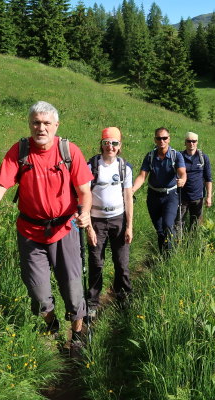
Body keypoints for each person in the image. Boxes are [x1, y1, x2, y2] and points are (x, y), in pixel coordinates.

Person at [0, 101, 93, 350]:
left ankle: (78, 333)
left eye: (47, 123)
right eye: (36, 122)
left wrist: (86, 213)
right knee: (38, 292)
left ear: (56, 125)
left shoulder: (69, 151)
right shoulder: (20, 151)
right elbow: (0, 185)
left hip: (65, 229)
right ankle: (51, 325)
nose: (41, 128)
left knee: (73, 288)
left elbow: (84, 190)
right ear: (30, 124)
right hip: (29, 232)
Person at [86, 127, 133, 315]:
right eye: (106, 143)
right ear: (101, 144)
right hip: (96, 221)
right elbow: (84, 196)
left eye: (114, 143)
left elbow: (128, 197)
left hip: (118, 220)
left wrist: (129, 226)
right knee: (96, 263)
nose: (110, 147)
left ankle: (124, 296)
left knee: (121, 262)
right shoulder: (92, 166)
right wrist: (88, 227)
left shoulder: (124, 167)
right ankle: (92, 303)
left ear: (120, 146)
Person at [132, 127, 186, 254]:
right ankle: (162, 255)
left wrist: (182, 179)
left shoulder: (175, 156)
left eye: (164, 138)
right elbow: (142, 176)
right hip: (153, 197)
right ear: (155, 140)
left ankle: (171, 256)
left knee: (168, 225)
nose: (162, 141)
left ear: (169, 139)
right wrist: (133, 189)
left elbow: (182, 172)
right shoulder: (150, 156)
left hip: (170, 196)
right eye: (159, 138)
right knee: (160, 230)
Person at [176, 131, 212, 232]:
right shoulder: (179, 157)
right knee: (178, 224)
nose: (191, 143)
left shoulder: (203, 158)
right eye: (189, 141)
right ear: (185, 142)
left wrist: (209, 197)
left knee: (195, 225)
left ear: (197, 142)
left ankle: (192, 245)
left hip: (197, 198)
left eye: (194, 141)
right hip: (181, 197)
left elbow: (208, 178)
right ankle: (178, 245)